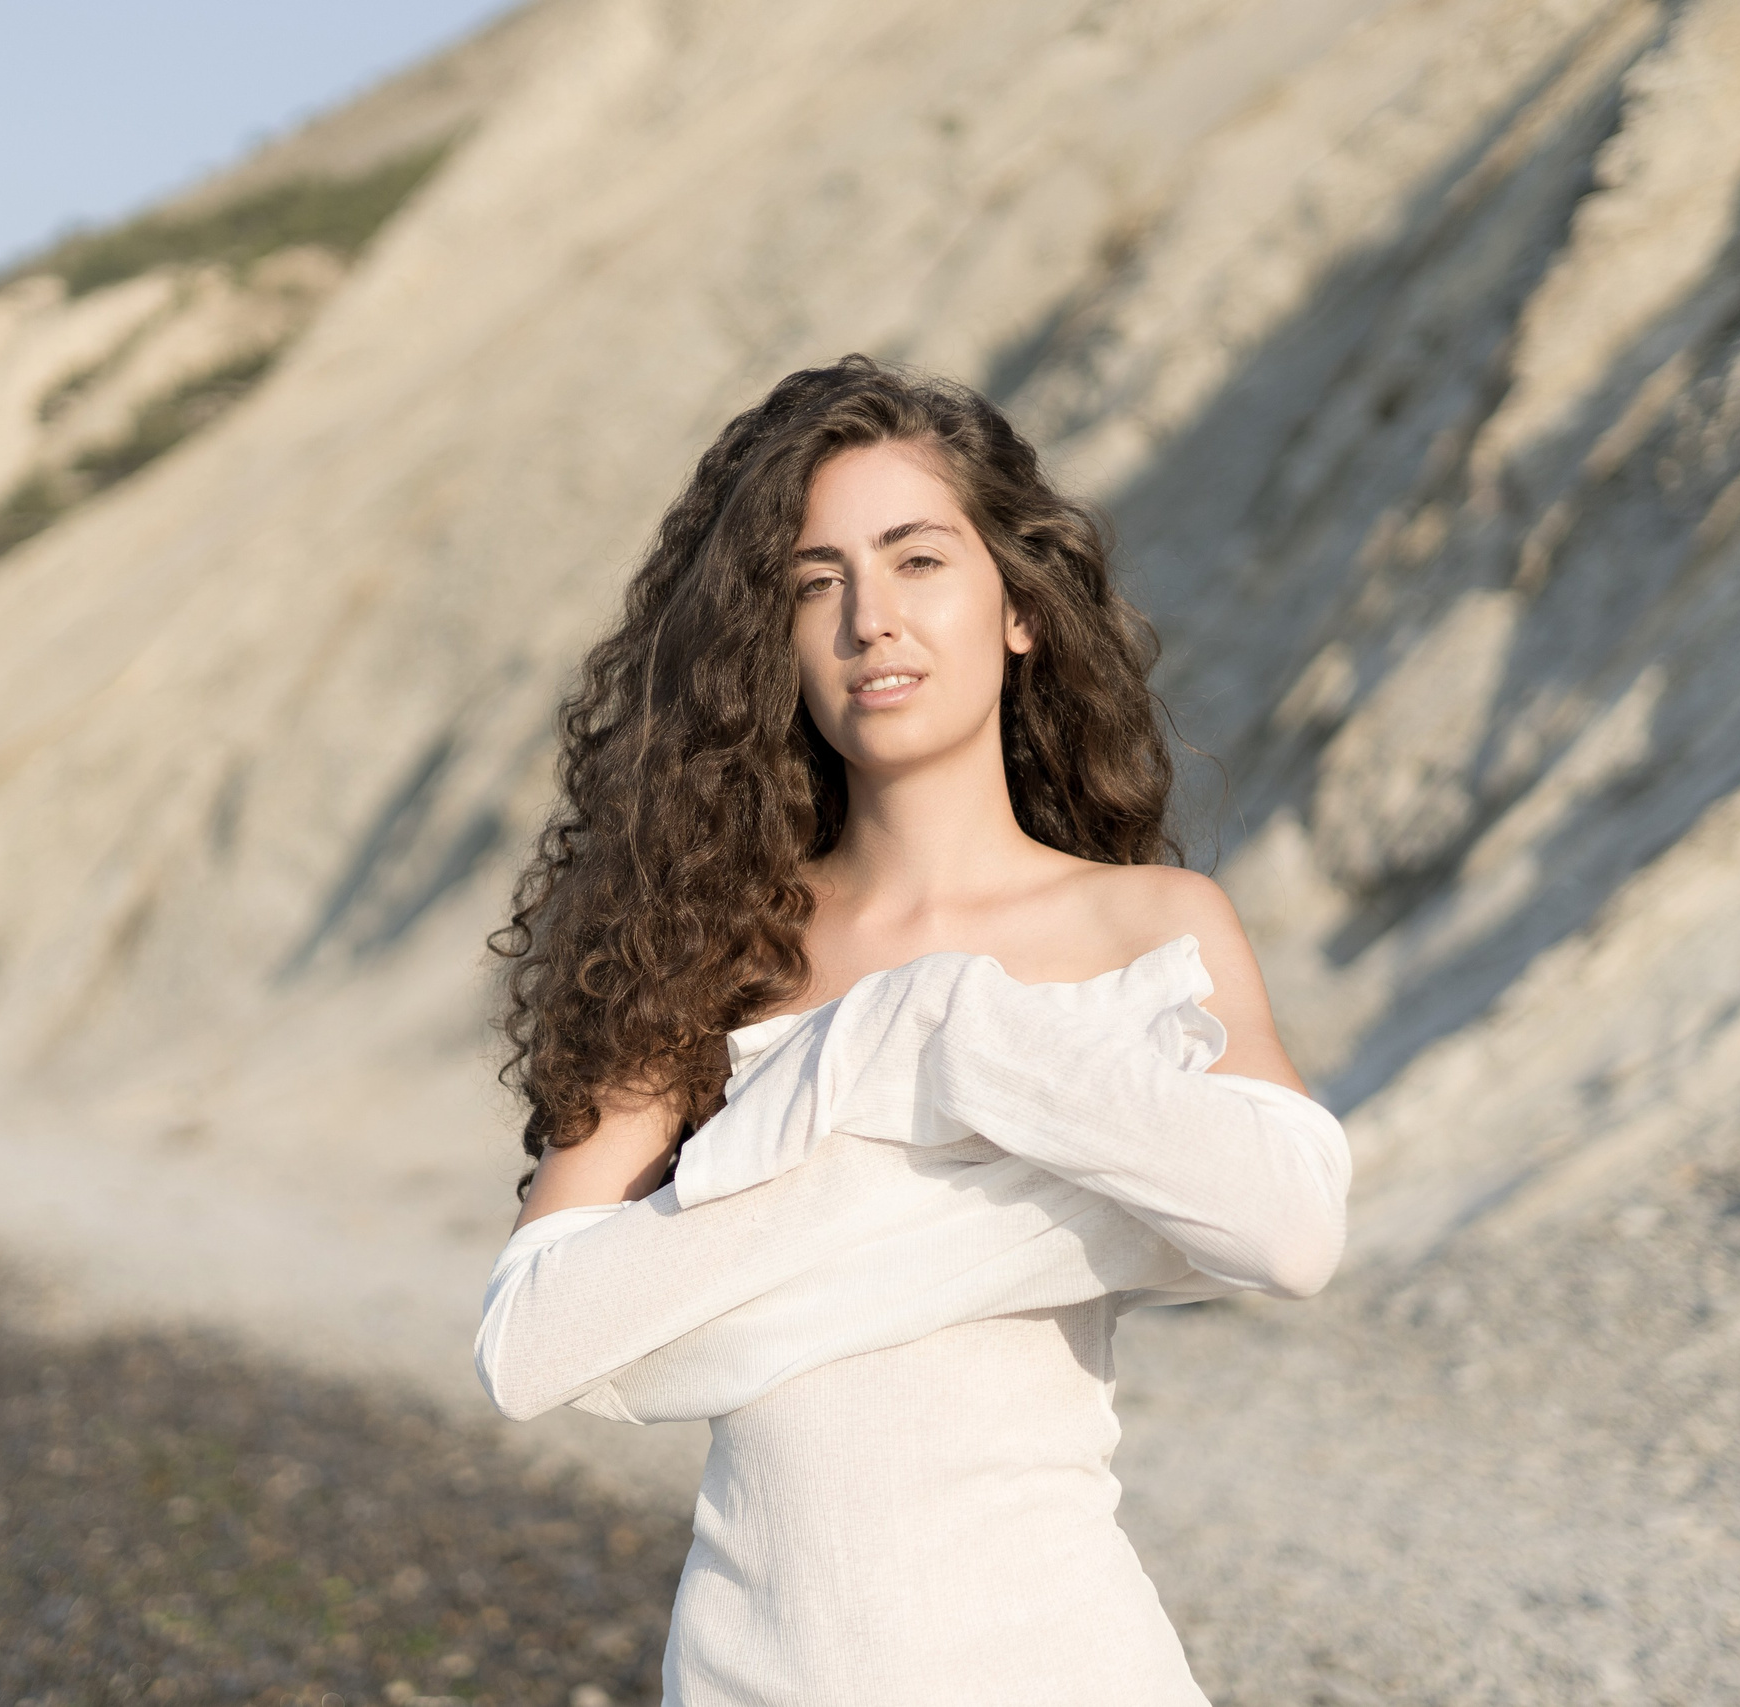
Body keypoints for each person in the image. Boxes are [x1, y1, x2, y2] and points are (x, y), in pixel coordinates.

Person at [475, 354, 1350, 1705]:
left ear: (1020, 607)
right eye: (813, 584)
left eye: (918, 559)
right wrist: (871, 1052)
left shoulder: (1149, 927)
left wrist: (960, 1031)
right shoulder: (705, 948)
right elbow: (533, 1346)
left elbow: (1290, 1231)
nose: (869, 619)